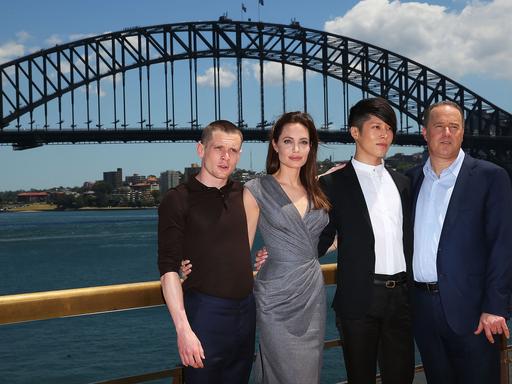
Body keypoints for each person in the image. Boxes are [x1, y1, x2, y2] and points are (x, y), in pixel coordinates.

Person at [408, 100, 512, 383]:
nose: (446, 133)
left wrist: (495, 307)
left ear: (463, 133)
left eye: (454, 127)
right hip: (423, 311)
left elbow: (503, 246)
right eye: (439, 126)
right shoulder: (411, 179)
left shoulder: (491, 177)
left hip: (475, 313)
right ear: (425, 133)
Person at [317, 97, 415, 383]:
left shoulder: (403, 183)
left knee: (401, 377)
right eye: (376, 127)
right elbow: (318, 241)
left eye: (389, 128)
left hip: (401, 299)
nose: (385, 134)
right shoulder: (332, 184)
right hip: (359, 299)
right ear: (355, 132)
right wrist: (277, 253)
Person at [157, 120, 256, 384]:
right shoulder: (178, 199)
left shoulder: (244, 195)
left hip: (247, 312)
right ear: (201, 150)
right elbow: (167, 269)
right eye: (218, 148)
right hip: (205, 313)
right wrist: (183, 330)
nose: (226, 157)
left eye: (233, 151)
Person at [243, 111, 330, 383]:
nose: (296, 149)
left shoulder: (319, 190)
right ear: (275, 144)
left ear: (311, 147)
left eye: (304, 142)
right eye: (288, 141)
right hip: (276, 298)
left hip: (312, 295)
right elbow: (238, 249)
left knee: (308, 373)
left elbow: (323, 242)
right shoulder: (256, 189)